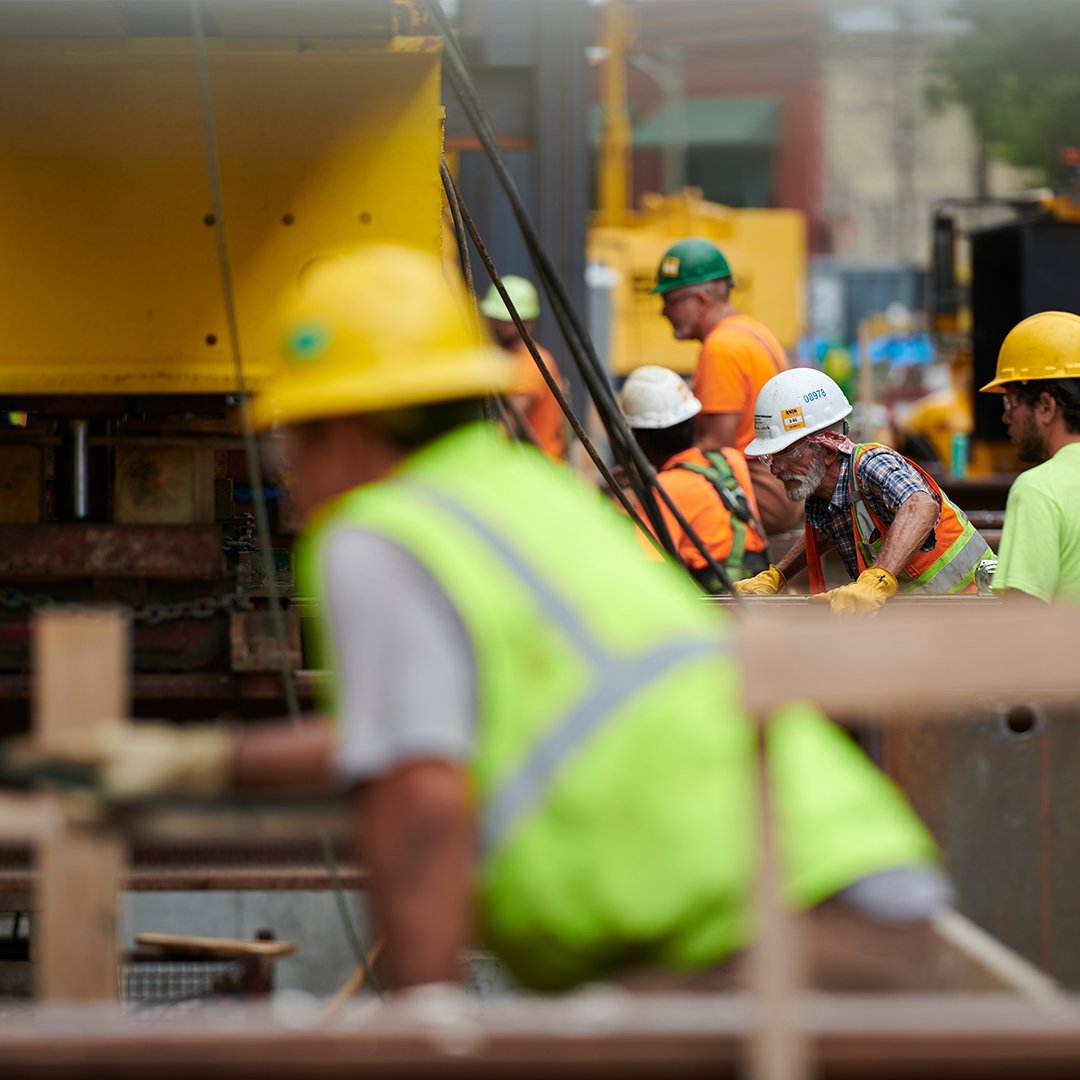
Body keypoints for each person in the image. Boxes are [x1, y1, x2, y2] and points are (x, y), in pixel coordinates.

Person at [25, 246, 949, 993]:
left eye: (293, 436)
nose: (288, 470)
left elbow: (417, 798)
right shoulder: (517, 492)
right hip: (846, 888)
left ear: (350, 427)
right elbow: (443, 727)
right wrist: (203, 764)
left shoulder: (379, 537)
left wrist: (424, 1024)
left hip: (760, 929)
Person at [734, 369, 993, 615]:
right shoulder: (824, 495)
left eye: (786, 454)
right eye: (769, 458)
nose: (775, 468)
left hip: (976, 607)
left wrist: (877, 579)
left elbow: (921, 505)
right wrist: (776, 577)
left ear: (827, 452)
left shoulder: (871, 464)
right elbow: (825, 534)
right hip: (932, 622)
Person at [652, 237, 801, 536]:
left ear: (701, 300)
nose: (664, 312)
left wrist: (656, 474)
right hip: (782, 488)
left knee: (639, 501)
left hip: (761, 493)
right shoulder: (751, 331)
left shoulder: (722, 347)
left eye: (670, 301)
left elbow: (715, 447)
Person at [618, 365, 769, 591]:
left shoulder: (663, 489)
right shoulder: (731, 461)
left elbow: (649, 569)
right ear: (693, 421)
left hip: (712, 601)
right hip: (758, 588)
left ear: (640, 439)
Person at [980, 310, 1080, 603]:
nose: (1006, 415)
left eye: (1010, 401)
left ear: (1046, 406)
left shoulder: (1039, 489)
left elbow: (1024, 620)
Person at [480, 275, 566, 461]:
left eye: (504, 319)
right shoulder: (501, 358)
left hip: (540, 471)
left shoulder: (532, 364)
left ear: (527, 322)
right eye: (494, 318)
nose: (497, 325)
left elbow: (510, 423)